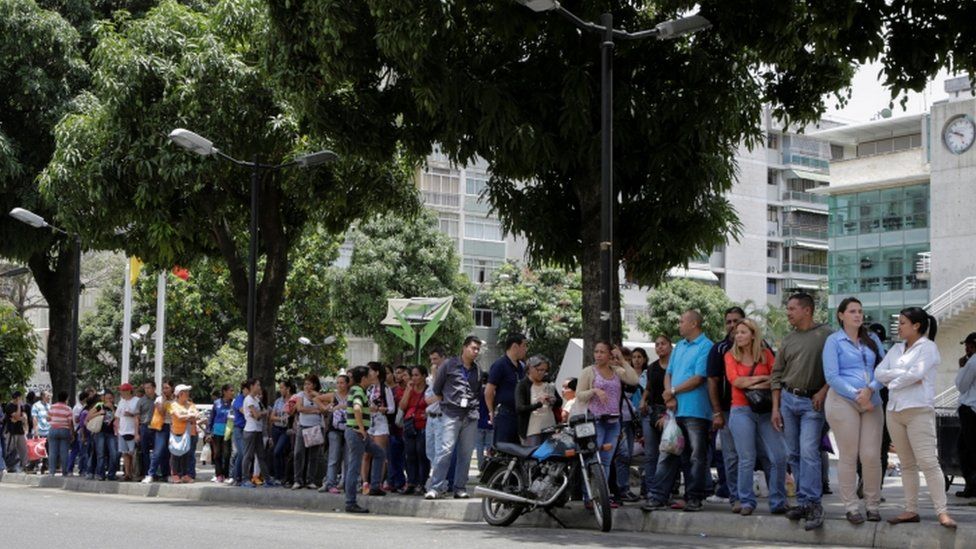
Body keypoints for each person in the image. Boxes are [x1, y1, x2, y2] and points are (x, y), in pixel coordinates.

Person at [876, 307, 957, 529]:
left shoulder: (928, 348)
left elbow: (918, 374)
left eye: (902, 322)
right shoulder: (895, 349)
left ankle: (943, 512)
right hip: (894, 411)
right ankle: (910, 509)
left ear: (916, 325)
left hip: (919, 410)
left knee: (928, 462)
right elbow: (878, 373)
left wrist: (892, 381)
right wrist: (901, 377)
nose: (898, 326)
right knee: (907, 464)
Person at [770, 293, 832, 530]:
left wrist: (824, 390)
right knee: (793, 454)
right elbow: (776, 375)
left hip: (812, 403)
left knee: (808, 452)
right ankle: (804, 502)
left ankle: (814, 504)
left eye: (792, 308)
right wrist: (776, 407)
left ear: (807, 310)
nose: (788, 313)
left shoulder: (827, 335)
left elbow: (836, 368)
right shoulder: (788, 339)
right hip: (787, 400)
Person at [822, 297, 886, 524]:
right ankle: (850, 506)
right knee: (848, 455)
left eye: (860, 311)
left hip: (872, 401)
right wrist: (858, 395)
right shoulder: (833, 341)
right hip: (843, 401)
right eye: (852, 311)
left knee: (870, 455)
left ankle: (872, 504)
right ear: (841, 315)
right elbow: (832, 376)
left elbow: (883, 369)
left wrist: (870, 390)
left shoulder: (873, 339)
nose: (858, 315)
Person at [642, 311, 712, 513]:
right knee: (668, 452)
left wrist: (673, 391)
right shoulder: (680, 346)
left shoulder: (706, 346)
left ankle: (694, 497)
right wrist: (669, 395)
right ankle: (657, 496)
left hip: (696, 411)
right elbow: (669, 373)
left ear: (694, 323)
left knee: (696, 456)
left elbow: (699, 378)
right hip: (675, 410)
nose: (679, 324)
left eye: (682, 321)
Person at [725, 319, 787, 516]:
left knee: (778, 456)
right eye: (737, 333)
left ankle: (778, 501)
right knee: (746, 458)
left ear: (753, 334)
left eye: (743, 332)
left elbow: (775, 380)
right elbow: (736, 381)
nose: (739, 336)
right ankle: (746, 501)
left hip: (767, 410)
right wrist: (761, 379)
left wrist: (754, 383)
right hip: (741, 410)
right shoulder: (730, 355)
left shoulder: (766, 354)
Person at [577, 340, 638, 508]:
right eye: (596, 351)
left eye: (602, 352)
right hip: (595, 421)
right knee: (592, 460)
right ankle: (589, 497)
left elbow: (634, 380)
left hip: (613, 422)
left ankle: (601, 497)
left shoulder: (617, 371)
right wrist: (594, 390)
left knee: (606, 461)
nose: (598, 355)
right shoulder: (589, 372)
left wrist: (623, 360)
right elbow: (579, 395)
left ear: (610, 355)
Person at [426, 336, 484, 500]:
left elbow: (478, 391)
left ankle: (460, 488)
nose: (476, 352)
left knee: (465, 454)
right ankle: (436, 487)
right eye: (473, 348)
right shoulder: (449, 365)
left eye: (478, 349)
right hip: (451, 414)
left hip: (470, 415)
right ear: (464, 347)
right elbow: (437, 389)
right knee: (445, 451)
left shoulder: (478, 369)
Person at [707, 307, 746, 509]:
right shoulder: (719, 349)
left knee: (763, 455)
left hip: (756, 410)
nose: (732, 326)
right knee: (731, 456)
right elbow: (712, 382)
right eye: (728, 321)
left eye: (736, 321)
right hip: (728, 410)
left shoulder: (760, 346)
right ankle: (736, 497)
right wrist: (717, 412)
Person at [344, 365, 386, 513]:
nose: (373, 376)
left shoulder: (360, 390)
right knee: (354, 468)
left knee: (379, 453)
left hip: (359, 433)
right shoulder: (357, 390)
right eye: (370, 375)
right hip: (357, 433)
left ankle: (374, 486)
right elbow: (357, 408)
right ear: (363, 378)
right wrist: (362, 429)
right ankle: (350, 502)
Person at [639, 336, 671, 498]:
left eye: (663, 344)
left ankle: (666, 489)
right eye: (657, 345)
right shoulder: (652, 367)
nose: (660, 347)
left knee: (667, 452)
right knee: (651, 453)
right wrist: (643, 400)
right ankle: (651, 489)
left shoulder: (675, 366)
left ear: (670, 346)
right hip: (651, 411)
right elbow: (649, 387)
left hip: (669, 412)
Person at [485, 332, 528, 445]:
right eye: (524, 346)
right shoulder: (500, 365)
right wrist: (491, 411)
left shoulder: (522, 367)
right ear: (515, 346)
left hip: (519, 416)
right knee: (503, 449)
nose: (526, 349)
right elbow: (489, 391)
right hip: (505, 414)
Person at [516, 355, 561, 446]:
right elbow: (520, 408)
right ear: (530, 368)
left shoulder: (548, 383)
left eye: (544, 370)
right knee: (533, 457)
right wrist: (538, 404)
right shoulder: (522, 385)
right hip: (532, 431)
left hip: (550, 428)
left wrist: (553, 401)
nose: (542, 373)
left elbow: (560, 402)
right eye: (539, 370)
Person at [362, 362, 393, 495]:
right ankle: (364, 483)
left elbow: (392, 409)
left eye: (370, 370)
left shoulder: (385, 388)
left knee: (379, 454)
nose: (368, 373)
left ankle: (377, 484)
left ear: (377, 372)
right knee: (366, 455)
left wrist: (381, 409)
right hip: (368, 423)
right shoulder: (367, 389)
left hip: (380, 422)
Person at [291, 374, 326, 489]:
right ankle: (297, 479)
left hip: (315, 427)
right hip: (303, 426)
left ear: (314, 385)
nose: (306, 386)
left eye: (309, 384)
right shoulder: (300, 395)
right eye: (305, 384)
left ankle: (310, 480)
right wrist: (315, 410)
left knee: (313, 455)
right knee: (298, 453)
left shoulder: (319, 396)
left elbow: (325, 409)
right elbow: (300, 408)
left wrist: (316, 396)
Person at [400, 366, 430, 495]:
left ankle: (421, 482)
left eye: (417, 375)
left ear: (424, 376)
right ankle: (411, 482)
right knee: (410, 454)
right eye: (412, 375)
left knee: (421, 453)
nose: (414, 378)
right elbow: (402, 406)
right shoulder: (410, 389)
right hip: (409, 425)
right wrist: (408, 389)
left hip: (423, 425)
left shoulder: (429, 390)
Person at [955, 332, 976, 498]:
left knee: (967, 450)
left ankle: (972, 486)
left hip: (971, 409)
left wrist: (962, 367)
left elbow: (961, 386)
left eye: (968, 345)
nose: (965, 349)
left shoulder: (972, 362)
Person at [320, 374, 349, 494]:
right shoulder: (333, 396)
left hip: (348, 429)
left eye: (342, 382)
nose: (339, 385)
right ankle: (330, 483)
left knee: (348, 458)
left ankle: (347, 483)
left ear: (347, 384)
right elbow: (317, 398)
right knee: (334, 457)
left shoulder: (351, 395)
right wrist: (326, 408)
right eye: (338, 383)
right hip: (334, 429)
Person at [240, 379, 272, 488]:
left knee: (261, 456)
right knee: (248, 455)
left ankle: (267, 479)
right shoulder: (249, 400)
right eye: (258, 385)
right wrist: (264, 413)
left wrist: (261, 413)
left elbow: (258, 414)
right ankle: (244, 479)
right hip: (250, 430)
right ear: (252, 386)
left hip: (258, 431)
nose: (259, 387)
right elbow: (257, 415)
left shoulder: (256, 399)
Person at [143, 380, 174, 483]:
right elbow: (161, 412)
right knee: (158, 451)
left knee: (168, 452)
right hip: (162, 427)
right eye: (163, 388)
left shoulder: (177, 400)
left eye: (167, 388)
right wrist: (165, 400)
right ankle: (150, 474)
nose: (165, 390)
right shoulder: (159, 399)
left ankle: (167, 474)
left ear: (172, 389)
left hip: (173, 427)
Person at [168, 384, 199, 483]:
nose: (188, 394)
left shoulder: (191, 404)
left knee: (188, 455)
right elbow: (178, 416)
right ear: (180, 394)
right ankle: (175, 475)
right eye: (186, 392)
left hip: (191, 433)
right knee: (176, 455)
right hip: (178, 433)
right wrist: (189, 415)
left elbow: (196, 415)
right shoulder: (172, 405)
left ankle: (186, 475)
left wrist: (186, 415)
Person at [208, 384, 234, 483]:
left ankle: (226, 475)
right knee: (217, 454)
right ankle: (218, 474)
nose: (232, 393)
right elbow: (211, 418)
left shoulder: (233, 403)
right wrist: (208, 432)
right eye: (230, 390)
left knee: (227, 454)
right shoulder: (216, 403)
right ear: (224, 392)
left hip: (228, 431)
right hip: (217, 431)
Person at [91, 389, 119, 481]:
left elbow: (117, 418)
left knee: (114, 454)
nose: (109, 400)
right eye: (107, 398)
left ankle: (111, 474)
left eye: (111, 398)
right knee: (101, 454)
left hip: (111, 433)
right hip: (100, 432)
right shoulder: (99, 406)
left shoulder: (115, 407)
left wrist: (111, 408)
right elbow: (88, 416)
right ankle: (101, 474)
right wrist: (99, 413)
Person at [271, 381, 295, 486]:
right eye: (279, 388)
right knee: (277, 454)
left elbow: (292, 414)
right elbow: (272, 417)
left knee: (278, 451)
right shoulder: (278, 401)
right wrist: (280, 418)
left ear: (288, 389)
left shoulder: (293, 400)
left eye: (282, 388)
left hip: (286, 430)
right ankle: (278, 476)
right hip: (276, 429)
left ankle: (285, 476)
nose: (280, 390)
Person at [116, 383, 141, 481]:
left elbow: (139, 416)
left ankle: (135, 473)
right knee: (125, 453)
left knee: (133, 454)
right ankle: (127, 473)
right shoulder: (121, 402)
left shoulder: (137, 401)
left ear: (128, 391)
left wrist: (131, 414)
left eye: (123, 390)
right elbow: (117, 415)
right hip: (122, 430)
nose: (121, 392)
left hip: (132, 431)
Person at [47, 391, 74, 476]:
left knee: (52, 452)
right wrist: (72, 433)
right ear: (66, 399)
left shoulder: (52, 407)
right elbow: (70, 422)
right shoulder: (68, 409)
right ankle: (64, 472)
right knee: (64, 452)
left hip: (53, 429)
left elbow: (48, 418)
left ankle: (52, 471)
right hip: (64, 430)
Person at [4, 391, 30, 472]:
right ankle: (9, 466)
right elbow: (18, 416)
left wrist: (19, 419)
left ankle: (24, 465)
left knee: (23, 449)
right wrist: (19, 406)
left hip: (20, 431)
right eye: (20, 398)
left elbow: (24, 418)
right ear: (17, 398)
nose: (22, 399)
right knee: (10, 449)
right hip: (11, 432)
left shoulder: (22, 407)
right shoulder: (9, 406)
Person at [136, 383, 156, 479]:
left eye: (149, 388)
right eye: (145, 388)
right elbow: (137, 417)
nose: (147, 390)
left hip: (157, 428)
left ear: (154, 388)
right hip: (144, 427)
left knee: (158, 451)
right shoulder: (141, 401)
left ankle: (156, 472)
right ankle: (147, 473)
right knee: (145, 452)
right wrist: (136, 433)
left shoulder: (159, 399)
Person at [475, 371, 493, 470]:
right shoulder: (492, 391)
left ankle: (481, 468)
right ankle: (489, 469)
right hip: (490, 423)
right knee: (490, 448)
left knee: (479, 447)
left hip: (479, 422)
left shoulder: (477, 392)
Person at [31, 391, 51, 472]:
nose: (49, 397)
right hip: (39, 430)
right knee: (38, 449)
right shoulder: (36, 405)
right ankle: (35, 465)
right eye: (47, 396)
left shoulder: (49, 406)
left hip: (48, 431)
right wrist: (36, 430)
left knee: (47, 449)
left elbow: (50, 418)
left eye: (49, 396)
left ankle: (45, 466)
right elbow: (34, 418)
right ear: (43, 396)